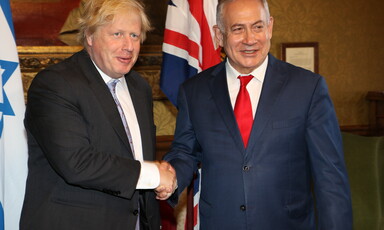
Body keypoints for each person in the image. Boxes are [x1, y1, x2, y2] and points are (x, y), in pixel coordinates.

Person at [159, 0, 353, 229]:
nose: (250, 39)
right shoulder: (194, 91)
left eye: (258, 27)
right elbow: (185, 151)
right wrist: (171, 177)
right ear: (219, 35)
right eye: (238, 29)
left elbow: (331, 179)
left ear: (270, 27)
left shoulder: (308, 88)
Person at [20, 0, 176, 229]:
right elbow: (77, 163)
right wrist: (154, 174)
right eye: (117, 34)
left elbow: (137, 157)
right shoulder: (55, 84)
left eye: (134, 35)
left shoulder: (139, 87)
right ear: (90, 37)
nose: (128, 46)